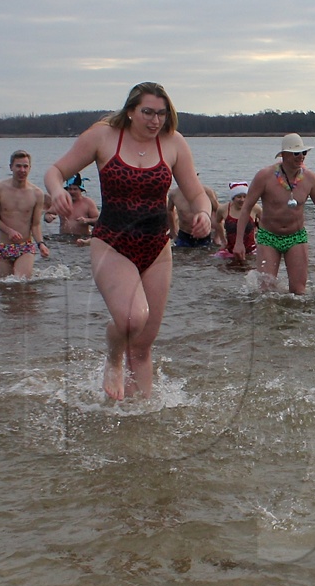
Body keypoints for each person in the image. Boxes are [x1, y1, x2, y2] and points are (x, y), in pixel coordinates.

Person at [44, 82, 213, 400]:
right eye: (147, 112)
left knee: (143, 343)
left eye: (161, 114)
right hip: (112, 243)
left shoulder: (172, 142)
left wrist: (203, 213)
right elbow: (55, 171)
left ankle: (140, 416)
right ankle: (112, 357)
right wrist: (56, 191)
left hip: (157, 247)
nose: (155, 121)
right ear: (131, 111)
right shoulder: (103, 136)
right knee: (132, 318)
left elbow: (196, 192)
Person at [231, 133, 315, 294]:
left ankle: (297, 319)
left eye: (303, 153)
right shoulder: (264, 176)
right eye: (296, 153)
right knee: (266, 292)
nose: (301, 157)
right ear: (284, 155)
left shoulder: (311, 179)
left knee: (299, 291)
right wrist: (239, 242)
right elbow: (246, 208)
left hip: (296, 237)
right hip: (268, 237)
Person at [0, 149, 50, 278]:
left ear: (30, 168)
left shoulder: (37, 193)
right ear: (11, 167)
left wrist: (41, 244)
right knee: (5, 288)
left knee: (21, 283)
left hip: (25, 247)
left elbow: (35, 225)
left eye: (25, 166)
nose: (22, 170)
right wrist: (9, 231)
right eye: (18, 166)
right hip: (4, 245)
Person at [169, 182, 221, 248]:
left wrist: (217, 236)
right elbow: (170, 211)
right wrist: (173, 232)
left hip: (204, 233)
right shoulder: (174, 194)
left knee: (205, 256)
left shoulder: (206, 191)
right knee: (181, 256)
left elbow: (218, 212)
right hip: (184, 233)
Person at [48, 173, 99, 237]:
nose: (72, 192)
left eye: (75, 189)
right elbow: (48, 214)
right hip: (63, 239)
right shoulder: (62, 201)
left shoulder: (88, 203)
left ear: (81, 190)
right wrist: (48, 217)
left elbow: (98, 221)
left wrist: (87, 220)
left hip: (82, 239)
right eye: (70, 189)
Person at [220, 181, 259, 258]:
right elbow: (217, 222)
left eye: (245, 197)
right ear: (233, 198)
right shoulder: (223, 209)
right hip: (230, 251)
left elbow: (266, 222)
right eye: (239, 197)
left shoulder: (254, 208)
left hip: (251, 250)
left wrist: (261, 239)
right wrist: (222, 240)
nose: (242, 200)